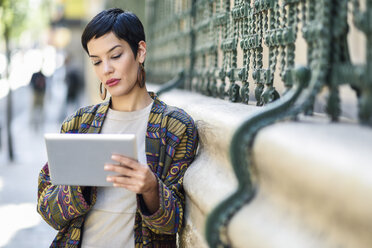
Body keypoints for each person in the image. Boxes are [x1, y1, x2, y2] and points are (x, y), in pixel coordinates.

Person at [37, 8, 198, 248]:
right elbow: (47, 209)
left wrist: (151, 188)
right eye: (97, 61)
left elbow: (174, 223)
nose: (106, 70)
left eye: (115, 55)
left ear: (140, 51)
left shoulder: (175, 127)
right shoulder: (78, 125)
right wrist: (79, 186)